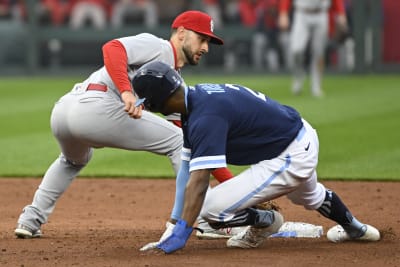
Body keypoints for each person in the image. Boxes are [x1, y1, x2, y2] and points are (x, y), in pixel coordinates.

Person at [14, 10, 235, 239]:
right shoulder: (159, 48)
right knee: (178, 144)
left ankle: (30, 219)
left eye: (208, 41)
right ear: (181, 33)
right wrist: (126, 91)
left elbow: (194, 143)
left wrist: (234, 185)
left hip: (64, 112)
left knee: (72, 160)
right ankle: (207, 220)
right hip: (95, 107)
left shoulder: (172, 82)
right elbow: (112, 48)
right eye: (202, 39)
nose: (206, 47)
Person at [132, 61, 380, 254]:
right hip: (297, 136)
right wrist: (175, 225)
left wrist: (181, 234)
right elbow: (186, 168)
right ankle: (356, 229)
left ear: (155, 102)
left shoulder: (204, 118)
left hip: (289, 155)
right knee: (310, 195)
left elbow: (198, 183)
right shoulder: (197, 99)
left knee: (210, 210)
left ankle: (266, 222)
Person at [278, 0, 348, 97]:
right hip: (301, 13)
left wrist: (341, 13)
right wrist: (283, 12)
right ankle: (298, 76)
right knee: (296, 50)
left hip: (321, 13)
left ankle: (316, 85)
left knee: (319, 53)